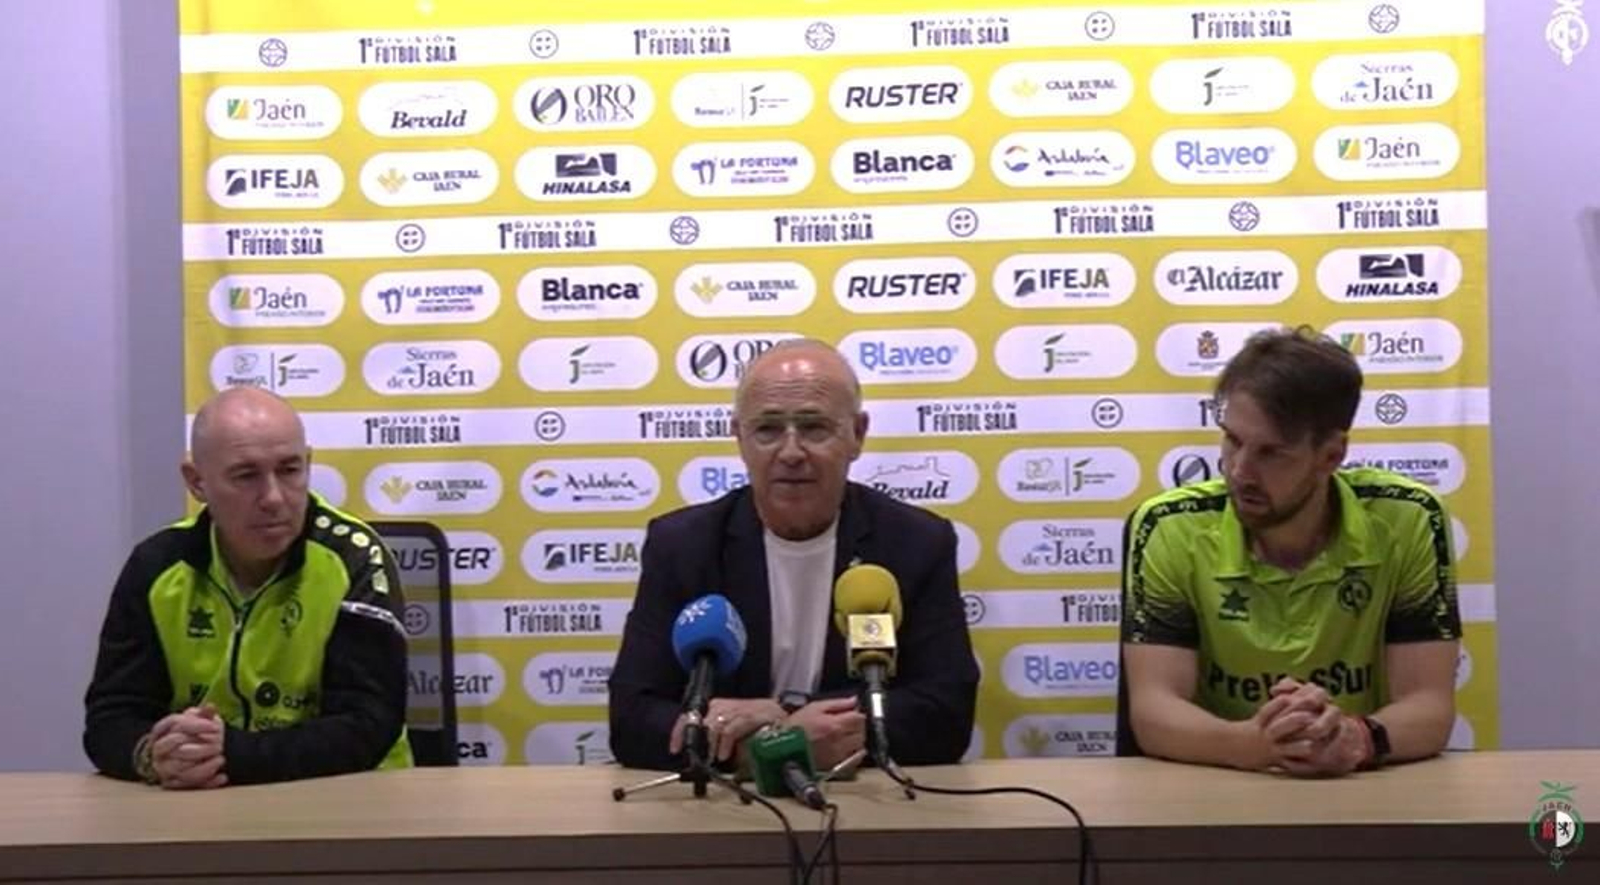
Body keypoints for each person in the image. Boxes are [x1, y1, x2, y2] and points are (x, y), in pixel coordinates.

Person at [609, 339, 978, 771]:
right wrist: (762, 751)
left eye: (813, 428)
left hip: (865, 802)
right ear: (739, 437)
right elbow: (632, 717)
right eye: (767, 430)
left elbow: (946, 714)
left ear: (857, 435)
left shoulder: (915, 542)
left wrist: (781, 718)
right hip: (729, 803)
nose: (790, 452)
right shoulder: (683, 545)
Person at [1121, 327, 1461, 777]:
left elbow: (1430, 707)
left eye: (1271, 453)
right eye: (1232, 440)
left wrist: (1355, 738)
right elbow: (1153, 711)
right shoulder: (1169, 526)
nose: (1239, 471)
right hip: (1217, 782)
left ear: (1331, 455)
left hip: (1355, 786)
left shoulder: (1410, 518)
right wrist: (1258, 745)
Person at [84, 386, 412, 788]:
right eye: (246, 476)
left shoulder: (356, 558)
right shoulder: (155, 566)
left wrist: (232, 755)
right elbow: (110, 717)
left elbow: (369, 725)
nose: (273, 498)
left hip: (348, 797)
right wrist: (154, 755)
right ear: (196, 481)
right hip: (198, 805)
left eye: (289, 471)